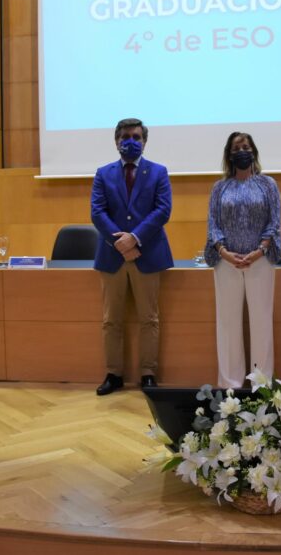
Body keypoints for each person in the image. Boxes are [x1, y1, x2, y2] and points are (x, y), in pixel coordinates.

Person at [91, 118, 173, 395]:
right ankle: (113, 374)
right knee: (110, 319)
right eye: (125, 136)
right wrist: (122, 243)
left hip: (147, 254)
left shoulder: (159, 172)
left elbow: (162, 210)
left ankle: (148, 373)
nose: (131, 141)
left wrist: (134, 238)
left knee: (149, 318)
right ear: (116, 141)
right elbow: (97, 212)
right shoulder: (103, 173)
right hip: (112, 257)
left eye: (136, 137)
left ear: (144, 141)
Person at [204, 132, 281, 388]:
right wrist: (224, 251)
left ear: (254, 152)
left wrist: (260, 249)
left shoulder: (267, 184)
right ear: (229, 154)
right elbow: (213, 223)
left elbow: (274, 221)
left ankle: (262, 384)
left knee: (261, 322)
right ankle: (230, 385)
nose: (242, 151)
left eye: (246, 146)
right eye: (237, 147)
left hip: (260, 261)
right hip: (226, 262)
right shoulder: (220, 188)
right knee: (228, 324)